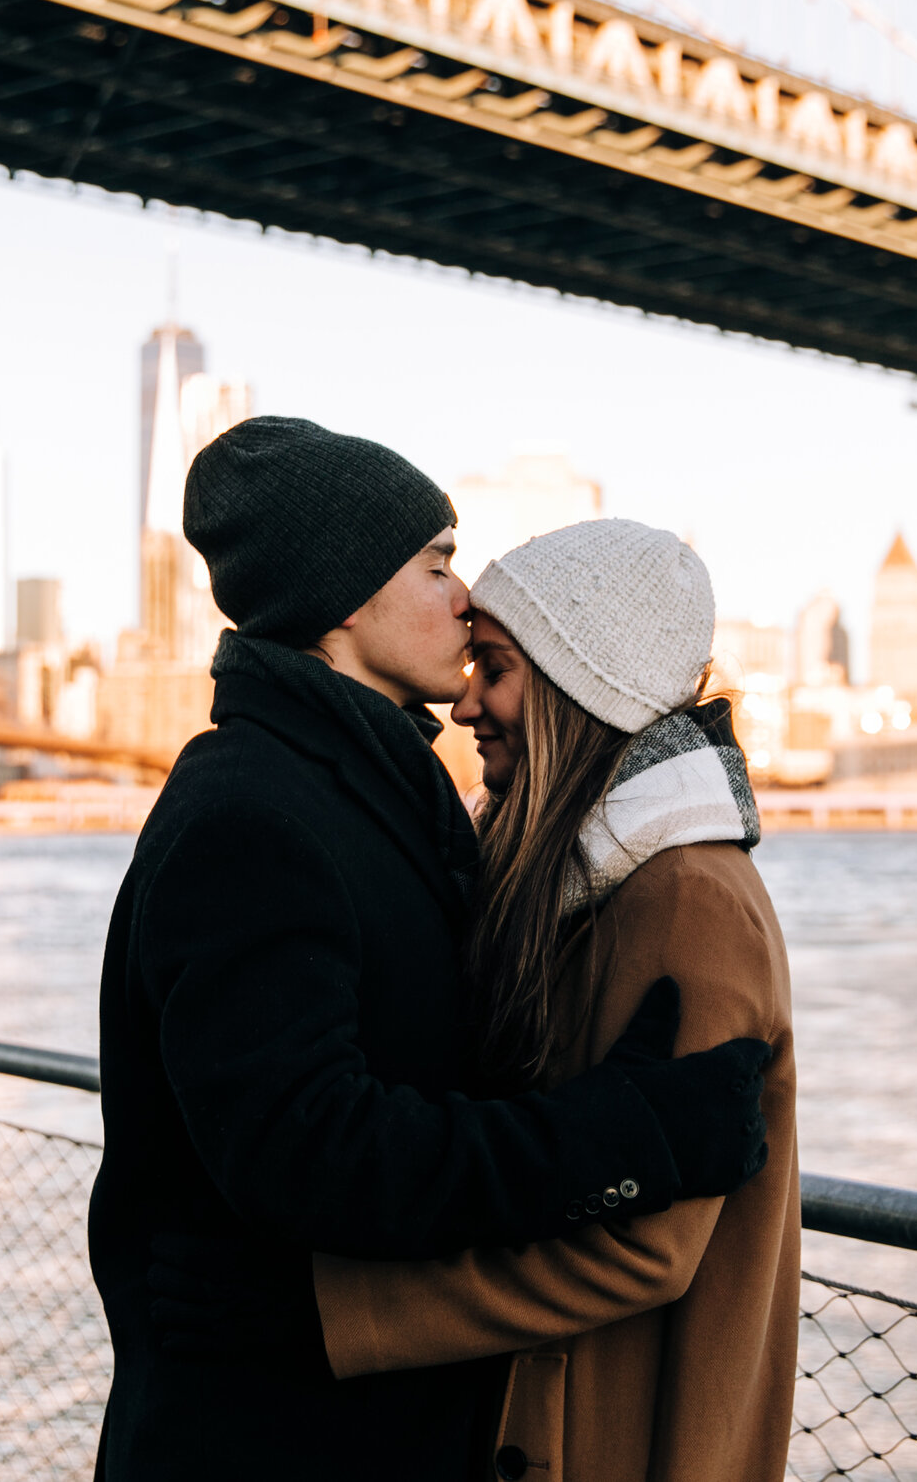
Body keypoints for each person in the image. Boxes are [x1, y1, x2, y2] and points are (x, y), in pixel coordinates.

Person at [90, 421, 776, 1481]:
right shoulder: (251, 812)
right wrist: (615, 1135)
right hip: (267, 1441)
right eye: (439, 562)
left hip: (373, 1431)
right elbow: (309, 1145)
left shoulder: (401, 808)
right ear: (349, 595)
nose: (462, 598)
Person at [306, 519, 800, 1482]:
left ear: (585, 685)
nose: (466, 703)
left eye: (494, 667)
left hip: (622, 1435)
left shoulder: (686, 899)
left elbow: (645, 1249)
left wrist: (337, 1307)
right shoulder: (586, 881)